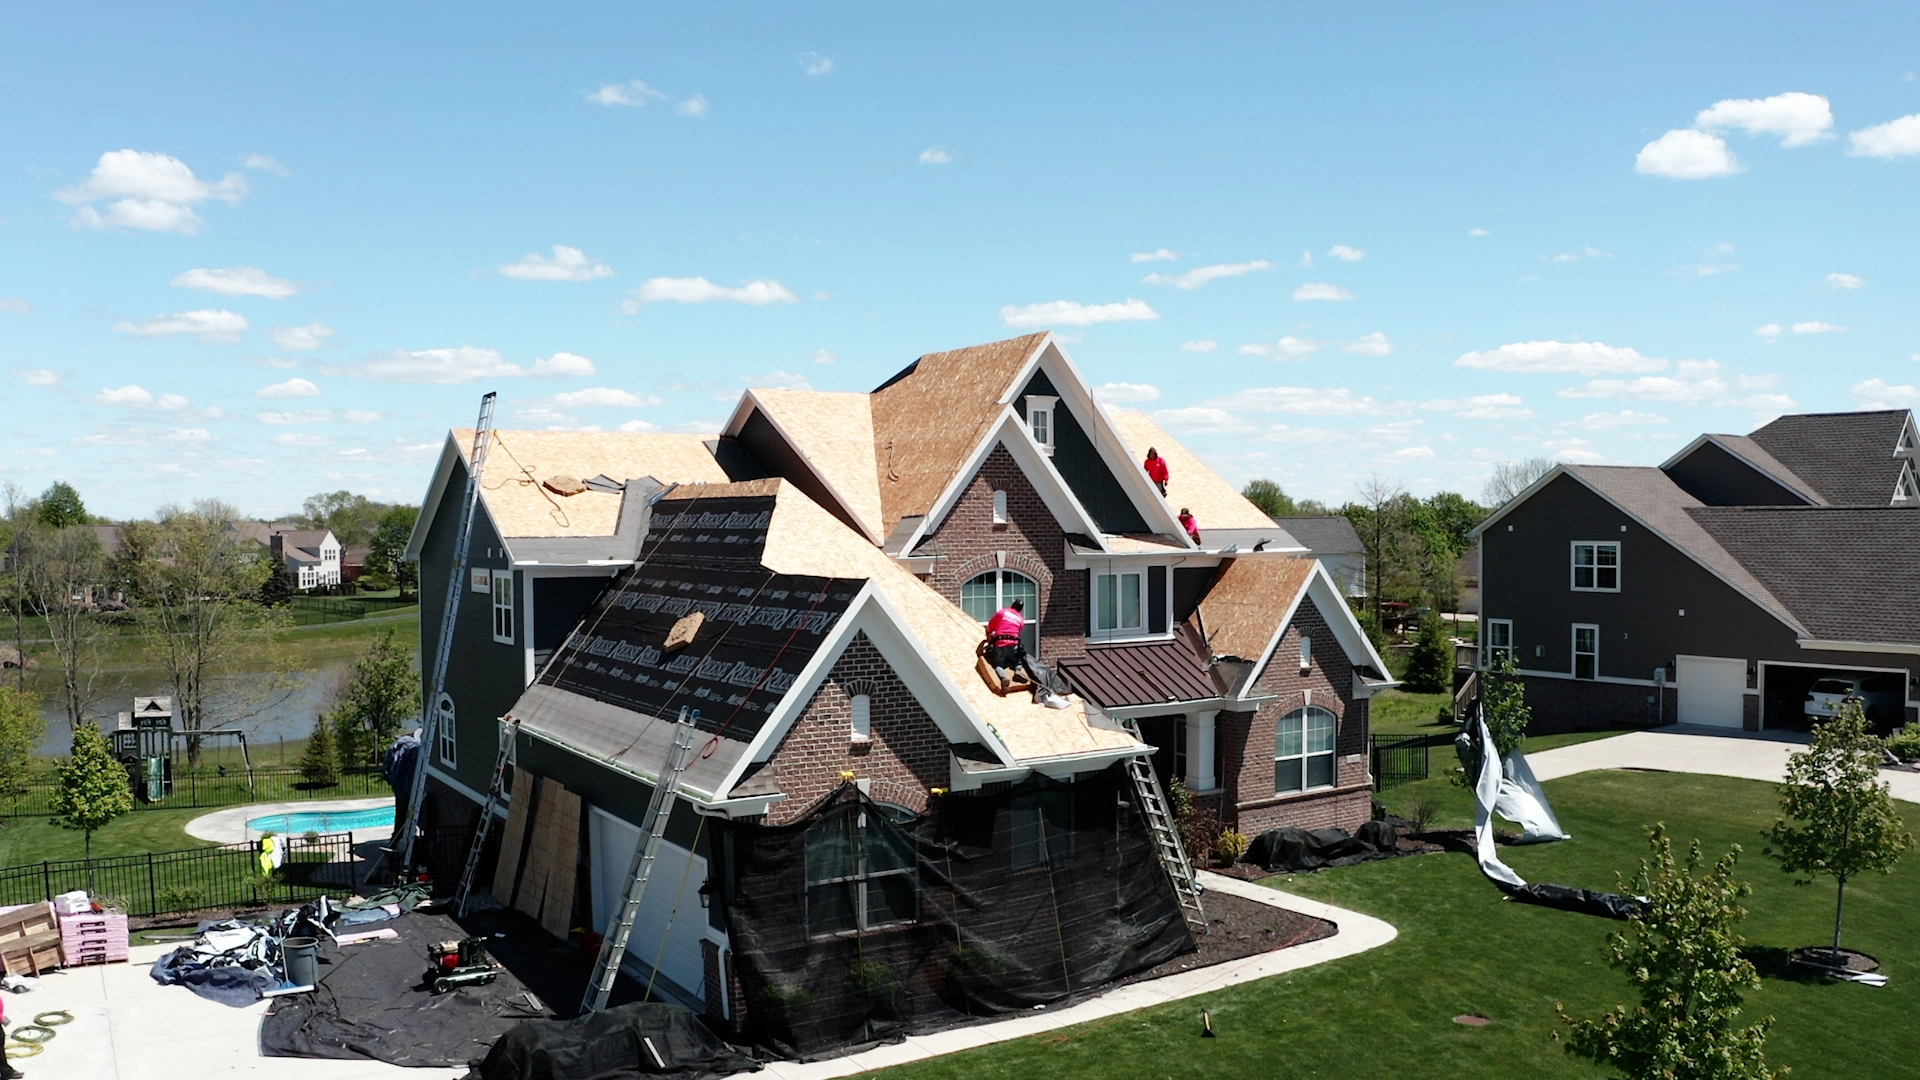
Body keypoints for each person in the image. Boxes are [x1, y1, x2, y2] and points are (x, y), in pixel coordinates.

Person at [984, 600, 1030, 685]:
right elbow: (1015, 632)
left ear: (1012, 605)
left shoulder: (1002, 612)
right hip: (1013, 644)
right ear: (1020, 609)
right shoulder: (1021, 620)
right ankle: (1018, 671)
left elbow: (990, 627)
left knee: (998, 664)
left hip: (1000, 643)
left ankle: (1003, 678)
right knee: (1017, 661)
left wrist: (988, 637)